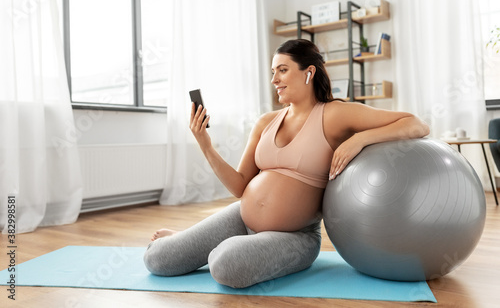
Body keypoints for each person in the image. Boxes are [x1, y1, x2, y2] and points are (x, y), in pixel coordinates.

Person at [143, 39, 430, 288]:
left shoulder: (334, 115)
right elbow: (240, 186)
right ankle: (189, 240)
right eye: (273, 72)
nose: (275, 80)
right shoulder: (266, 122)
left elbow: (415, 124)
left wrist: (359, 140)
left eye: (282, 70)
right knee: (157, 259)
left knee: (226, 264)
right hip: (242, 218)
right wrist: (204, 143)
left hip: (294, 236)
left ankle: (205, 244)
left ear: (309, 73)